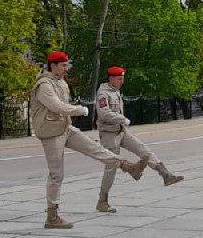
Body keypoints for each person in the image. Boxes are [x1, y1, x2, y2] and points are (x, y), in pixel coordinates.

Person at [30, 51, 146, 228]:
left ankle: (128, 166)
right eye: (63, 65)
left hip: (64, 128)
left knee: (94, 148)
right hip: (51, 133)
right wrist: (80, 110)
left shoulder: (60, 82)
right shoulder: (44, 85)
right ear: (53, 66)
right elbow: (56, 106)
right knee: (57, 174)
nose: (66, 69)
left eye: (66, 65)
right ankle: (52, 217)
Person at [94, 66, 184, 213]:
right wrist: (122, 118)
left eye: (122, 78)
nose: (122, 81)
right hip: (109, 134)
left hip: (121, 131)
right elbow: (104, 114)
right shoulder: (103, 93)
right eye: (119, 79)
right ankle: (102, 201)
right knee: (111, 167)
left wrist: (121, 122)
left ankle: (165, 174)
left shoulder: (115, 90)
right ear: (111, 78)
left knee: (143, 150)